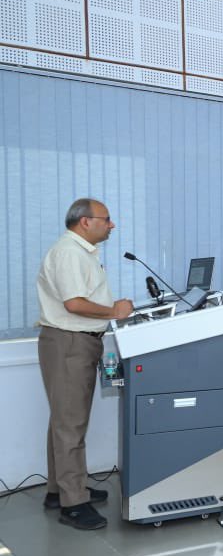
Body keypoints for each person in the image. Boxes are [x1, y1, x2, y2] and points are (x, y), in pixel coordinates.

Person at [37, 198, 134, 530]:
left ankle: (58, 490)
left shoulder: (81, 253)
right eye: (106, 219)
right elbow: (74, 303)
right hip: (69, 343)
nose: (112, 225)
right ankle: (73, 503)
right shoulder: (69, 253)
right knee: (70, 425)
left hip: (76, 342)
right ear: (84, 222)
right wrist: (114, 312)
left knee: (65, 421)